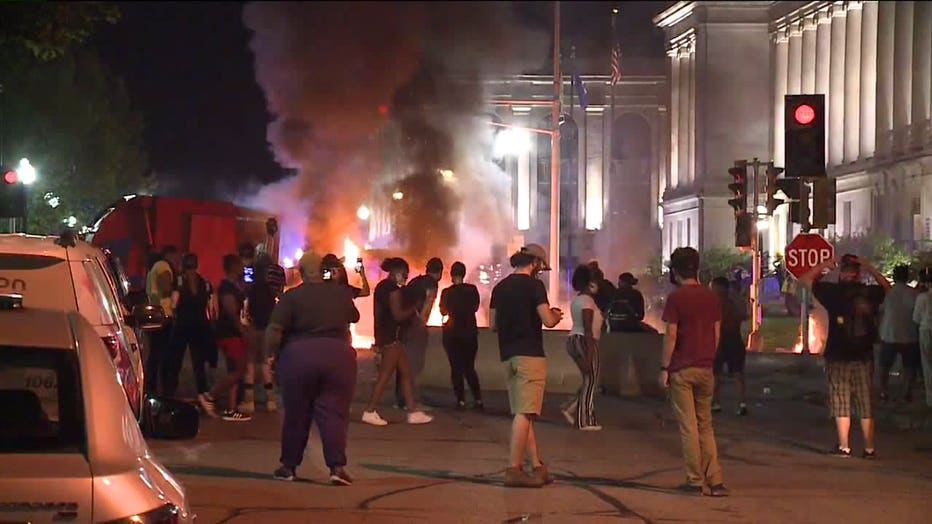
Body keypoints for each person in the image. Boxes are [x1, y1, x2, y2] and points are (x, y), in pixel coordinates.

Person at [266, 251, 360, 485]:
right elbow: (354, 316)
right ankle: (337, 468)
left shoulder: (292, 297)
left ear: (301, 271)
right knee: (334, 414)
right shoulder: (340, 293)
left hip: (299, 357)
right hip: (338, 357)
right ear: (321, 269)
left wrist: (270, 355)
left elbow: (275, 330)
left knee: (296, 414)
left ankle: (289, 467)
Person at [799, 254, 889, 459]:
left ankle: (844, 446)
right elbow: (886, 287)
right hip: (864, 355)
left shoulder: (833, 292)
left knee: (841, 400)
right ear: (858, 274)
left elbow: (805, 280)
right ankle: (869, 448)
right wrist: (869, 265)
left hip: (838, 354)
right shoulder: (869, 292)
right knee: (865, 402)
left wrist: (825, 265)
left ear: (842, 273)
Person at [490, 244, 563, 488]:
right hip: (530, 355)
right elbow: (548, 320)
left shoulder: (500, 287)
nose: (541, 270)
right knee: (525, 413)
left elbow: (492, 325)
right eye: (540, 265)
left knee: (523, 411)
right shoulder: (534, 286)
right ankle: (513, 469)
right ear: (534, 262)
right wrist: (556, 315)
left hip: (507, 355)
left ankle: (537, 466)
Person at [660, 247, 727, 497]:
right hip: (705, 367)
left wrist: (664, 367)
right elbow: (716, 333)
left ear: (675, 271)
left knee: (689, 427)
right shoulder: (712, 297)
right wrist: (708, 356)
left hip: (682, 368)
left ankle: (694, 480)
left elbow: (671, 335)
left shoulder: (677, 298)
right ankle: (716, 480)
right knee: (706, 426)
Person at [361, 257, 433, 426]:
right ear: (395, 272)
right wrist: (415, 306)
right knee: (385, 375)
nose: (406, 277)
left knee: (405, 373)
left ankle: (413, 411)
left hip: (387, 336)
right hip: (390, 337)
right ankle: (370, 410)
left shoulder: (382, 287)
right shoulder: (392, 290)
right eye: (404, 273)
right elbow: (398, 315)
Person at [198, 254, 251, 422]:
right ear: (233, 267)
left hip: (229, 332)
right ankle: (209, 396)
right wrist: (240, 328)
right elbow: (231, 309)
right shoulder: (227, 287)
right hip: (230, 333)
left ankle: (231, 408)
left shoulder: (232, 286)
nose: (243, 268)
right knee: (240, 369)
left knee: (233, 370)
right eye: (240, 265)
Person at [163, 253, 213, 399]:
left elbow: (173, 303)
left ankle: (169, 394)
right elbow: (209, 307)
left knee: (175, 361)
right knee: (199, 364)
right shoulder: (205, 283)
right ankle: (203, 395)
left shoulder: (179, 281)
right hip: (199, 326)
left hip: (182, 325)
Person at [396, 257, 443, 410]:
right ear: (439, 272)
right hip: (414, 325)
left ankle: (400, 400)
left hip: (404, 324)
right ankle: (410, 402)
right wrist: (422, 323)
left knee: (403, 361)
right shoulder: (432, 283)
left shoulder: (415, 281)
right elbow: (429, 302)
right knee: (414, 363)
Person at [239, 254, 285, 414]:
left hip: (253, 329)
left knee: (250, 364)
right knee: (265, 364)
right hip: (266, 329)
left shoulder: (252, 290)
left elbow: (247, 309)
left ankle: (249, 400)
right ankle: (271, 400)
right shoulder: (268, 293)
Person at [562, 265, 604, 431]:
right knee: (591, 379)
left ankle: (570, 408)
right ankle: (584, 420)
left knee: (589, 380)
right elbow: (588, 328)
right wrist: (589, 353)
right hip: (584, 341)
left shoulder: (578, 300)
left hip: (575, 340)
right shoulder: (587, 301)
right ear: (590, 283)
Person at [439, 261, 482, 409]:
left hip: (452, 334)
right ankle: (478, 399)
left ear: (451, 275)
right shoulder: (472, 290)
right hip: (470, 332)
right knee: (469, 367)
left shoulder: (446, 292)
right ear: (463, 273)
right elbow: (476, 307)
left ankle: (461, 400)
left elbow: (443, 311)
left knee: (455, 368)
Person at [879, 265, 920, 403]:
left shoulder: (888, 293)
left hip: (889, 334)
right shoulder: (914, 294)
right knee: (909, 367)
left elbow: (881, 311)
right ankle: (907, 392)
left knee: (885, 366)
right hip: (910, 335)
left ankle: (884, 391)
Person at [710, 277, 749, 416]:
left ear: (717, 288)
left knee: (715, 373)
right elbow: (744, 315)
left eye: (713, 287)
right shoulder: (735, 301)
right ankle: (742, 403)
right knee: (738, 373)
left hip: (719, 341)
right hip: (735, 339)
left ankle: (715, 402)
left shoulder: (714, 303)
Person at [145, 245, 181, 395]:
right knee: (164, 355)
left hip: (155, 313)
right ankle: (164, 391)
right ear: (169, 255)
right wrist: (177, 288)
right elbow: (166, 288)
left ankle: (151, 387)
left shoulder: (153, 268)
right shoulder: (164, 266)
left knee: (155, 354)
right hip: (164, 314)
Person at [914, 268, 932, 407]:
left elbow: (916, 318)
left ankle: (930, 397)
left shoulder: (922, 298)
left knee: (927, 364)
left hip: (926, 330)